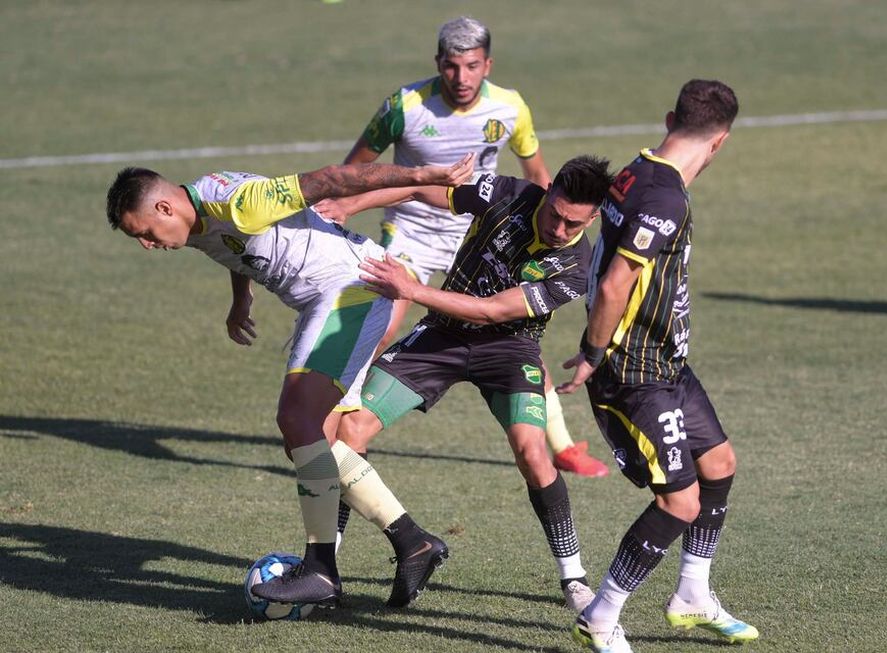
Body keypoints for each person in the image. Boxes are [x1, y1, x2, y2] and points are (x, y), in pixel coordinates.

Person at [104, 154, 473, 608]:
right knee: (306, 438)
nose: (147, 244)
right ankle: (413, 542)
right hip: (328, 299)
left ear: (163, 208)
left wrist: (421, 176)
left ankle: (321, 570)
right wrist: (242, 298)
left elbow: (333, 179)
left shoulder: (239, 202)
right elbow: (231, 248)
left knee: (298, 420)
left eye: (144, 233)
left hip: (352, 289)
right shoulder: (193, 218)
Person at [314, 155, 614, 612]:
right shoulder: (507, 194)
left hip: (510, 351)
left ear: (592, 219)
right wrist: (352, 205)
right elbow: (418, 190)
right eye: (555, 213)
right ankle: (325, 565)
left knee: (534, 453)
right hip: (442, 336)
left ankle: (573, 578)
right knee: (349, 430)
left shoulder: (576, 266)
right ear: (549, 191)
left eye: (574, 224)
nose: (558, 228)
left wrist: (411, 290)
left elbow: (494, 310)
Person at [340, 15, 608, 479]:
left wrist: (553, 234)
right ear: (438, 63)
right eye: (450, 66)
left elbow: (539, 179)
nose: (461, 78)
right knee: (383, 325)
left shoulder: (510, 108)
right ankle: (345, 420)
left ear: (488, 65)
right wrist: (346, 205)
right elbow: (355, 168)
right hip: (414, 227)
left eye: (471, 66)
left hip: (483, 228)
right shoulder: (403, 106)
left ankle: (561, 446)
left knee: (517, 343)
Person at [557, 80, 759, 651]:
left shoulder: (634, 172)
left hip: (667, 361)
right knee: (680, 501)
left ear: (670, 118)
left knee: (718, 463)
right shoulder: (666, 199)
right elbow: (617, 281)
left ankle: (693, 593)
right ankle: (601, 614)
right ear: (719, 143)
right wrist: (595, 354)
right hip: (634, 371)